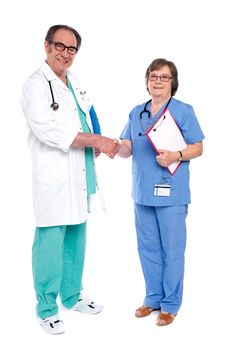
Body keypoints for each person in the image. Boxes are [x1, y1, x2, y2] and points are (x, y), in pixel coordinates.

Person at [21, 24, 118, 335]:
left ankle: (72, 295)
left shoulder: (74, 82)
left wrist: (99, 140)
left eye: (71, 48)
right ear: (47, 46)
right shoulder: (36, 84)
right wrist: (95, 141)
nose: (65, 53)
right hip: (53, 176)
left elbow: (87, 113)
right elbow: (48, 130)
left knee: (77, 237)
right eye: (59, 46)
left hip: (78, 171)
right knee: (50, 242)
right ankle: (46, 308)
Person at [117, 58, 204, 326]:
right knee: (147, 248)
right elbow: (126, 147)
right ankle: (152, 298)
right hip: (142, 193)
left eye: (164, 77)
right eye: (153, 76)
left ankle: (170, 304)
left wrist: (176, 154)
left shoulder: (183, 111)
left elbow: (198, 147)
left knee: (172, 249)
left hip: (172, 194)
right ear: (146, 81)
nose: (157, 81)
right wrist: (108, 146)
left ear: (172, 82)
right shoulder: (137, 113)